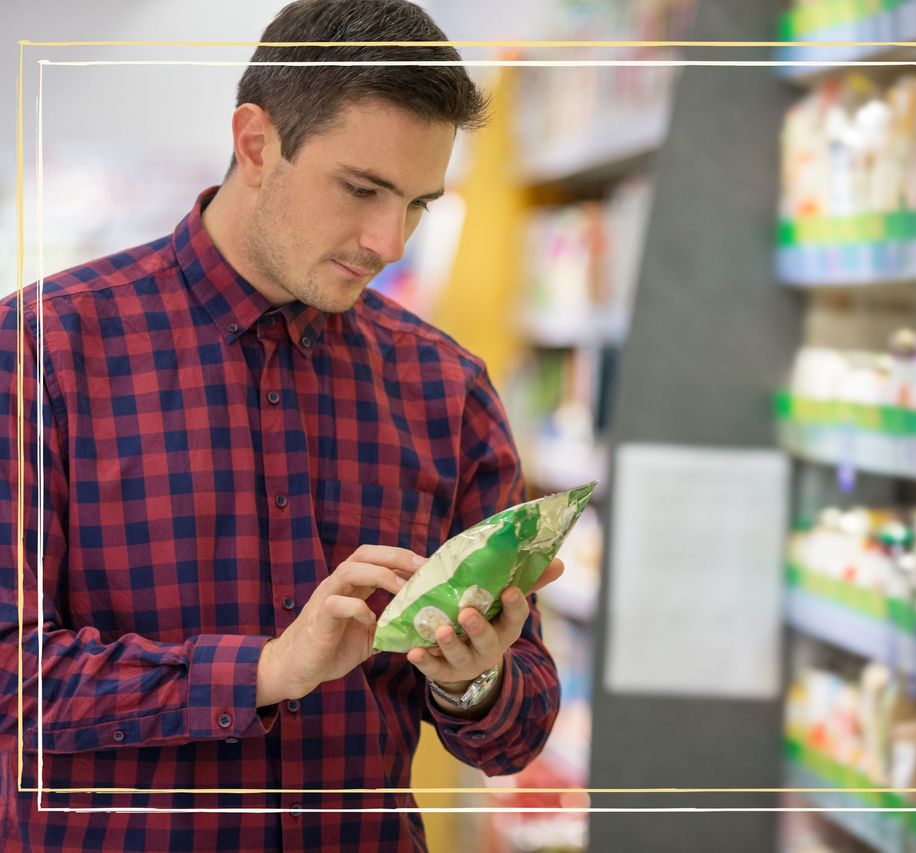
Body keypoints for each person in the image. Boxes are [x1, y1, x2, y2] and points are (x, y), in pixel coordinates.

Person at [0, 1, 563, 849]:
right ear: (257, 143)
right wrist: (263, 671)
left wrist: (473, 681)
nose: (389, 241)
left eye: (417, 204)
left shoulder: (446, 389)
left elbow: (516, 730)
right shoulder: (42, 350)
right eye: (363, 189)